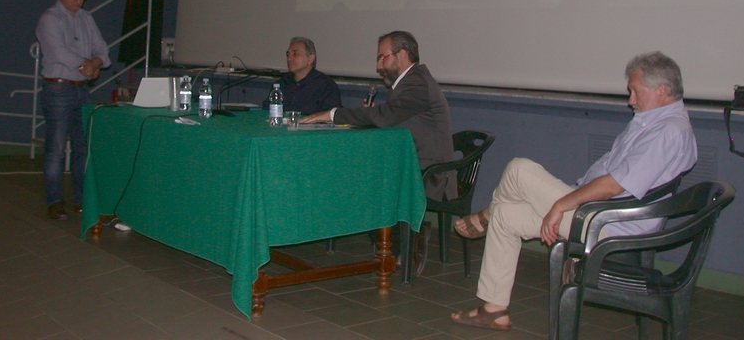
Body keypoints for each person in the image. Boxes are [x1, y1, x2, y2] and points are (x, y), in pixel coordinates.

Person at [450, 51, 697, 331]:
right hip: (599, 212)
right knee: (506, 215)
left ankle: (486, 214)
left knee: (519, 169)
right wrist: (569, 197)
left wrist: (560, 205)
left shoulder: (668, 132)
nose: (631, 100)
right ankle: (494, 311)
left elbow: (614, 185)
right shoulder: (653, 122)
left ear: (662, 91)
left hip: (606, 222)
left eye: (636, 92)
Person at [301, 31, 457, 274]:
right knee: (357, 178)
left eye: (382, 58)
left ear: (402, 55)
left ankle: (406, 241)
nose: (377, 66)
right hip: (412, 163)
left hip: (431, 173)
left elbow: (387, 116)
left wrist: (332, 114)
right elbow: (392, 117)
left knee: (360, 183)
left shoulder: (416, 83)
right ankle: (396, 243)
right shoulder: (409, 82)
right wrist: (370, 117)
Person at [36, 0, 110, 221]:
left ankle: (81, 200)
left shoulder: (86, 18)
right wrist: (88, 65)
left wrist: (96, 61)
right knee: (56, 149)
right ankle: (55, 201)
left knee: (82, 148)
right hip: (58, 89)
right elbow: (59, 52)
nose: (78, 1)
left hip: (81, 90)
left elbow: (102, 48)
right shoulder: (50, 19)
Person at [263, 37, 341, 115]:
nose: (289, 59)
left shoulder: (326, 85)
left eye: (295, 54)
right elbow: (267, 111)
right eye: (288, 54)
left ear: (310, 59)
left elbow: (331, 116)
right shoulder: (281, 83)